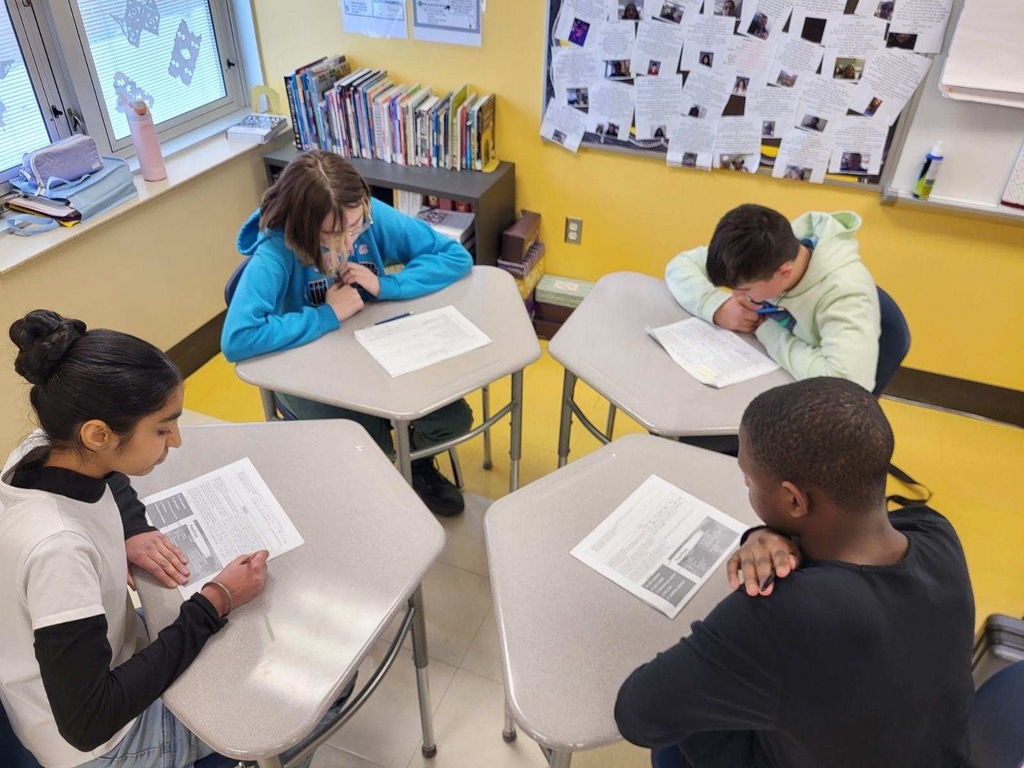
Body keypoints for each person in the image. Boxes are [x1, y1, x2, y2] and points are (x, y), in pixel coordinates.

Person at [615, 377, 975, 768]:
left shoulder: (779, 614)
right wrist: (769, 533)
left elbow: (637, 714)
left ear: (793, 499)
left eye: (749, 479)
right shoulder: (937, 535)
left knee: (680, 729)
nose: (747, 486)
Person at [0, 309, 270, 768]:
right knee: (276, 705)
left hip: (92, 669)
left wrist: (133, 527)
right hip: (103, 746)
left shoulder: (41, 448)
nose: (177, 441)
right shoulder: (59, 551)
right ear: (99, 434)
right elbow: (89, 722)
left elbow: (113, 478)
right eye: (163, 428)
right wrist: (214, 602)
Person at [221, 151, 473, 517]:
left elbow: (454, 256)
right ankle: (380, 475)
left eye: (356, 227)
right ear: (304, 228)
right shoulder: (277, 252)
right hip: (308, 372)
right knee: (366, 439)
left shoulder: (367, 218)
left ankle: (414, 465)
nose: (350, 243)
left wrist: (388, 285)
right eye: (335, 234)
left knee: (451, 419)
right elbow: (238, 337)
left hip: (372, 354)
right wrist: (327, 314)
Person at [664, 203, 881, 390]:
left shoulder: (846, 294)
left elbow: (846, 383)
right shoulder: (760, 249)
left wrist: (766, 329)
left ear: (784, 272)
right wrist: (718, 306)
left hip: (800, 401)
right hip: (757, 369)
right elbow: (680, 265)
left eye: (746, 290)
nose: (737, 296)